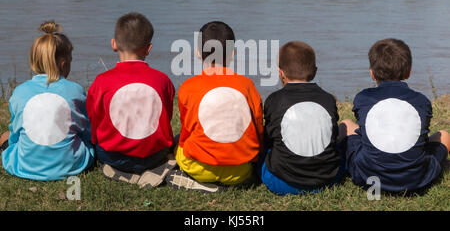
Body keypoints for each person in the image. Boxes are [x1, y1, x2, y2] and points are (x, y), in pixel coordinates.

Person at [340, 38, 450, 193]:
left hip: (368, 176)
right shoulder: (422, 101)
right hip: (416, 179)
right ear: (409, 71)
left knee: (346, 124)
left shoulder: (362, 98)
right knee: (444, 135)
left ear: (372, 73)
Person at [165, 21, 264, 192]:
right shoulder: (247, 85)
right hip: (239, 171)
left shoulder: (188, 87)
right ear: (233, 54)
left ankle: (198, 182)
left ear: (197, 53)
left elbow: (186, 133)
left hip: (198, 169)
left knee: (178, 141)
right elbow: (258, 128)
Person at [87, 12, 176, 188]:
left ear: (113, 44)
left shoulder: (101, 82)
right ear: (148, 49)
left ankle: (119, 171)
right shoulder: (163, 80)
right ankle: (159, 167)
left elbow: (94, 123)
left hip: (113, 157)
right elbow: (166, 117)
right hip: (155, 156)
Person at [0, 21, 94, 180]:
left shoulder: (19, 92)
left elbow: (16, 134)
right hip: (71, 164)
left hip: (25, 166)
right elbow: (85, 131)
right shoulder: (76, 90)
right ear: (64, 64)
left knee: (5, 135)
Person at [260, 41, 344, 195]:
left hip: (282, 182)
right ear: (315, 72)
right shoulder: (328, 99)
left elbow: (270, 138)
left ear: (280, 72)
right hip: (327, 180)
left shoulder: (274, 100)